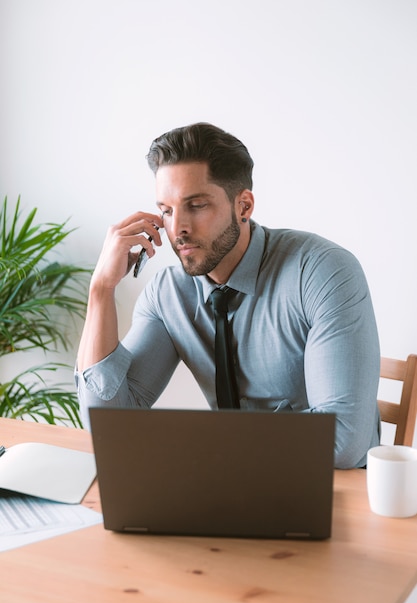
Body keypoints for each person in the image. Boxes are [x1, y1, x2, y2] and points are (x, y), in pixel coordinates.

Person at [76, 122, 380, 469]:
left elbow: (344, 442)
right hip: (228, 484)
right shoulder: (168, 295)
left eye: (197, 205)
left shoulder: (322, 272)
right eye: (167, 210)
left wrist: (206, 443)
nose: (178, 229)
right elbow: (110, 426)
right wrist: (101, 290)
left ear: (244, 206)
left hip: (330, 489)